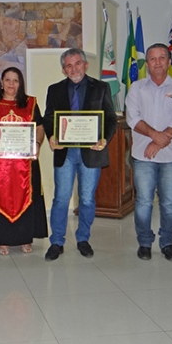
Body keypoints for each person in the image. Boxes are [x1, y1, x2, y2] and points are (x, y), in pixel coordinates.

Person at [42, 48, 117, 261]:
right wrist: (51, 135)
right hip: (65, 153)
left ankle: (83, 238)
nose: (73, 68)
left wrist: (104, 139)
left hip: (91, 153)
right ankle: (57, 241)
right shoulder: (54, 90)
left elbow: (110, 119)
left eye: (77, 64)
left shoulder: (101, 88)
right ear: (63, 69)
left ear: (85, 65)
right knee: (61, 198)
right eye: (68, 65)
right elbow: (48, 117)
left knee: (86, 199)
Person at [125, 43, 172, 261]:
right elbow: (132, 118)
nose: (158, 62)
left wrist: (160, 141)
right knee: (143, 202)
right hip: (143, 155)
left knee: (169, 202)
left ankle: (168, 242)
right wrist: (155, 135)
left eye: (162, 58)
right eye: (152, 58)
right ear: (147, 64)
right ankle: (144, 242)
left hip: (171, 156)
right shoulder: (136, 88)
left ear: (169, 62)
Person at [0, 67, 48, 255]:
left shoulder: (31, 103)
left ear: (20, 83)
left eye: (15, 80)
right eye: (7, 80)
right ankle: (2, 239)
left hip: (25, 164)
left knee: (27, 198)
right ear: (1, 82)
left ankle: (25, 238)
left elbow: (39, 127)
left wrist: (38, 144)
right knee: (0, 198)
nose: (11, 84)